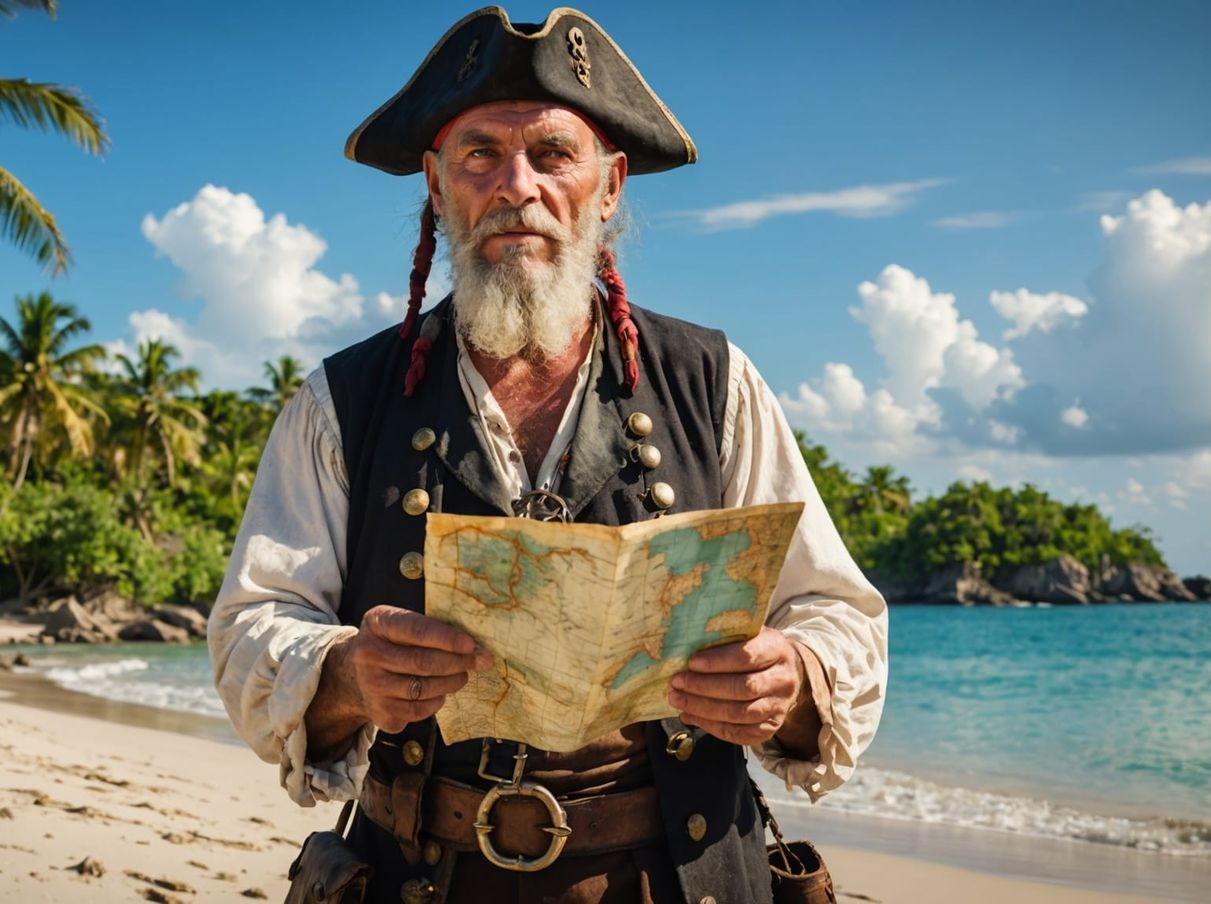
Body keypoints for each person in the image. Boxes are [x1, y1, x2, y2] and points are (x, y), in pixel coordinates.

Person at [209, 8, 887, 902]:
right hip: (422, 878)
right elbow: (253, 625)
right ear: (437, 183)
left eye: (553, 155)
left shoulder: (715, 380)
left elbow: (838, 612)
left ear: (609, 187)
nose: (515, 185)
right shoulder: (342, 401)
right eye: (480, 154)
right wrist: (346, 674)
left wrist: (791, 679)